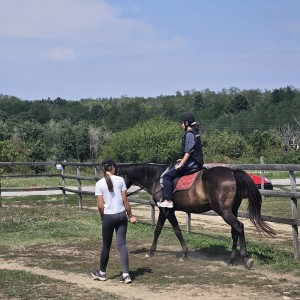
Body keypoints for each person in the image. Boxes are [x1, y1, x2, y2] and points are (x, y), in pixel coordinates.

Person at [91, 158, 137, 284]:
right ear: (112, 167)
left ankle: (102, 273)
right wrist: (131, 215)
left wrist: (102, 217)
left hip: (108, 216)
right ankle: (126, 274)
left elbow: (100, 206)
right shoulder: (121, 180)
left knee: (106, 245)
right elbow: (125, 201)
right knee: (122, 244)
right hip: (122, 215)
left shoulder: (99, 183)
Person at [160, 112, 204, 208]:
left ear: (186, 123)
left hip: (192, 164)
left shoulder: (189, 134)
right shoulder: (195, 132)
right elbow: (192, 151)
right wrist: (182, 159)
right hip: (197, 161)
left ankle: (168, 200)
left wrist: (181, 164)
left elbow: (188, 152)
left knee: (167, 176)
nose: (180, 125)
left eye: (181, 123)